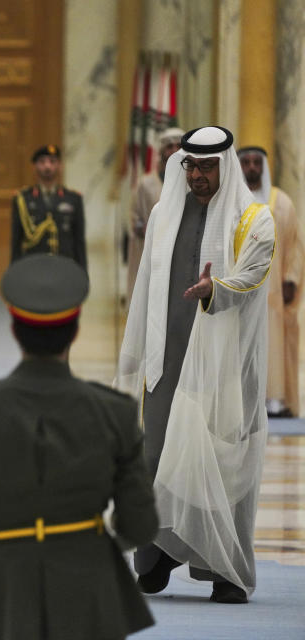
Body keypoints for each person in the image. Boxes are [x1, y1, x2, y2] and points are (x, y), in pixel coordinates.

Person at [0, 254, 157, 640]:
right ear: (75, 330)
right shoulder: (115, 413)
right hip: (89, 598)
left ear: (14, 329)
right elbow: (141, 525)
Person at [118, 126, 275, 604]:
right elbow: (145, 285)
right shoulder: (165, 212)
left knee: (221, 465)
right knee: (158, 456)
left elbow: (253, 274)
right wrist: (135, 355)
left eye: (207, 166)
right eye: (190, 165)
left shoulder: (253, 218)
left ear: (224, 166)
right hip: (166, 361)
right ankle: (158, 557)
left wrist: (216, 290)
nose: (197, 175)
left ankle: (222, 570)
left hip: (225, 367)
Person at [238, 145, 304, 417]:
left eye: (257, 162)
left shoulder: (282, 202)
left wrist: (291, 278)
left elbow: (296, 246)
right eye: (247, 163)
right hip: (240, 290)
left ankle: (274, 399)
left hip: (273, 292)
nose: (252, 168)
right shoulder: (231, 200)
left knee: (273, 342)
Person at [128, 127, 184, 296]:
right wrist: (148, 230)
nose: (174, 150)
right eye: (169, 146)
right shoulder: (145, 184)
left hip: (181, 253)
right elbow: (133, 217)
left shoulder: (191, 182)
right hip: (152, 253)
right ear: (161, 151)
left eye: (178, 146)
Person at [10, 145, 86, 269]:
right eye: (42, 162)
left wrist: (83, 276)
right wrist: (14, 273)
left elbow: (79, 243)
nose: (47, 166)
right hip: (32, 267)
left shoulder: (73, 199)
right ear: (34, 167)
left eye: (52, 161)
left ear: (60, 166)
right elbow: (16, 241)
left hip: (64, 266)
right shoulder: (23, 199)